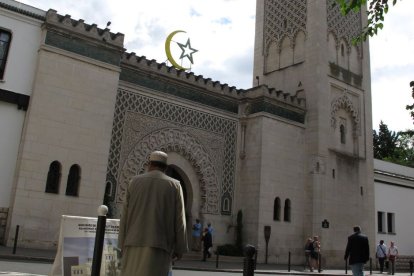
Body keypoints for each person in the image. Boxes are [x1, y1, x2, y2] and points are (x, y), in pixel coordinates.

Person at [118, 150, 188, 276]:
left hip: (132, 243)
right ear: (165, 168)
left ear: (149, 164)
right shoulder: (175, 185)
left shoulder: (133, 182)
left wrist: (121, 243)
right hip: (160, 247)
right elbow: (180, 220)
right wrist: (180, 248)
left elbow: (125, 216)